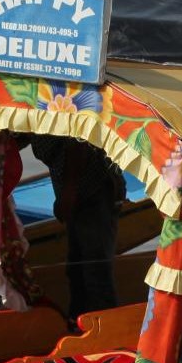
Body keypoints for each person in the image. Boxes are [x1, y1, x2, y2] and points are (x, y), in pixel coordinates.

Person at [28, 136, 123, 319]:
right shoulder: (33, 119)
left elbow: (78, 141)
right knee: (76, 271)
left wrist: (68, 193)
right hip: (78, 198)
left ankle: (107, 332)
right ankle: (78, 324)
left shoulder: (56, 109)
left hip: (92, 192)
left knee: (95, 273)